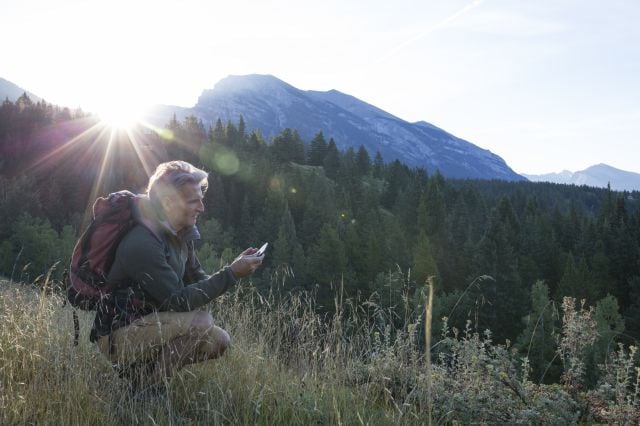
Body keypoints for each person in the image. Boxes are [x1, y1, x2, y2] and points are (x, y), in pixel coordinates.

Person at [90, 160, 263, 390]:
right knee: (201, 322)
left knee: (218, 340)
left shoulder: (179, 234)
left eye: (202, 198)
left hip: (151, 323)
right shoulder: (142, 242)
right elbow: (178, 300)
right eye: (194, 201)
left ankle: (142, 374)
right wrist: (231, 274)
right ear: (169, 202)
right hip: (116, 335)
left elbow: (198, 278)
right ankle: (148, 392)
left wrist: (234, 268)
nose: (201, 207)